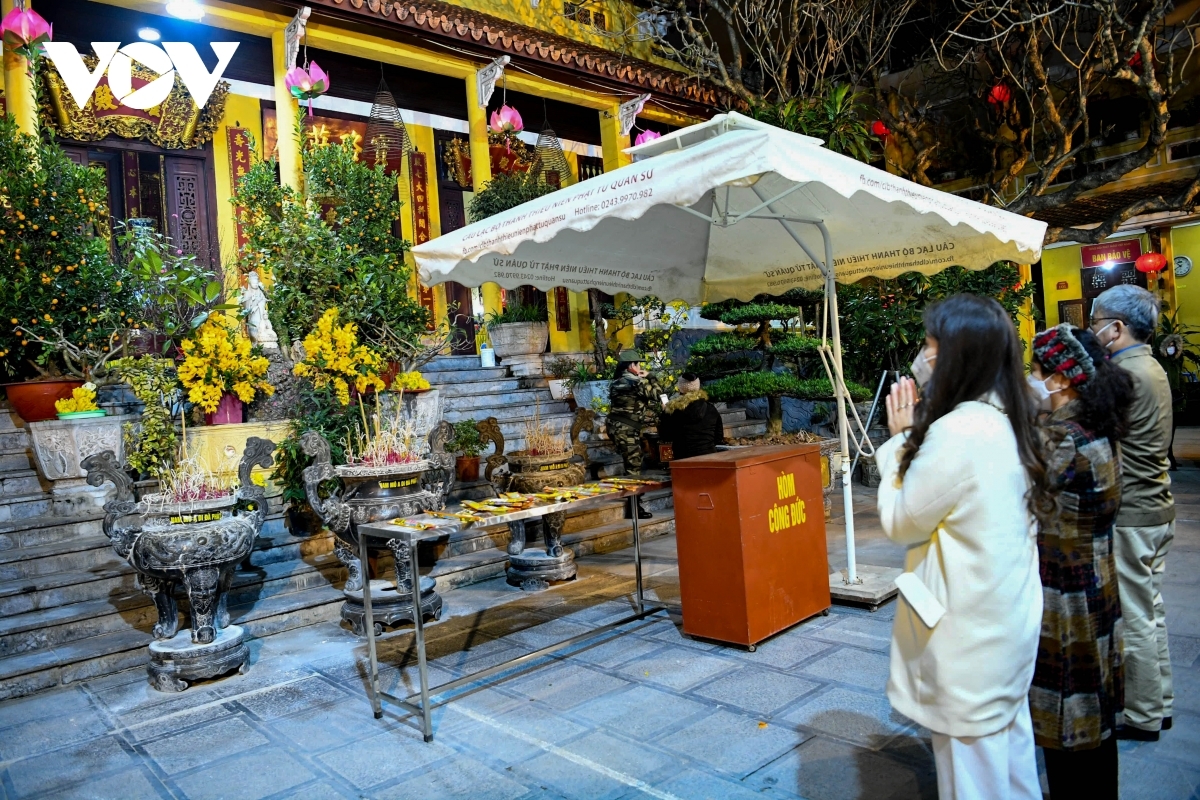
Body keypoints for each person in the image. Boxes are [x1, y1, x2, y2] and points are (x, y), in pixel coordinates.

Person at [878, 294, 1048, 800]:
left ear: (957, 356)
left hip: (969, 640)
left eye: (931, 345)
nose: (924, 356)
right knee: (1010, 762)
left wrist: (900, 440)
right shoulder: (1008, 417)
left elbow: (900, 521)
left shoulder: (961, 433)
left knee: (972, 779)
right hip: (1004, 626)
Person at [1028, 324, 1132, 798]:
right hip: (1098, 582)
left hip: (1066, 596)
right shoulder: (1097, 426)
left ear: (1062, 378)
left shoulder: (1062, 438)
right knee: (1095, 717)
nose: (1032, 378)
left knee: (1069, 715)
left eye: (1037, 371)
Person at [1090, 284, 1175, 740]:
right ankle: (1157, 702)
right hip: (1156, 506)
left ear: (1116, 328)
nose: (1092, 331)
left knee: (1137, 616)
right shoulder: (1152, 366)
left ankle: (1142, 716)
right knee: (1151, 609)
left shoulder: (1124, 375)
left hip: (1134, 512)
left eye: (1095, 323)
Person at [606, 350, 662, 518]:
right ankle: (634, 508)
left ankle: (634, 504)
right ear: (632, 365)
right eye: (638, 364)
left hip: (616, 426)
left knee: (633, 463)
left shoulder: (616, 382)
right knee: (634, 468)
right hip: (627, 429)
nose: (640, 367)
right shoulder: (636, 382)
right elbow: (658, 394)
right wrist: (651, 376)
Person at [657, 372, 724, 460]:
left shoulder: (672, 411)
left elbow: (665, 436)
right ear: (698, 386)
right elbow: (718, 438)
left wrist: (664, 413)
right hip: (709, 456)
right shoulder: (711, 409)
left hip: (683, 458)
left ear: (680, 388)